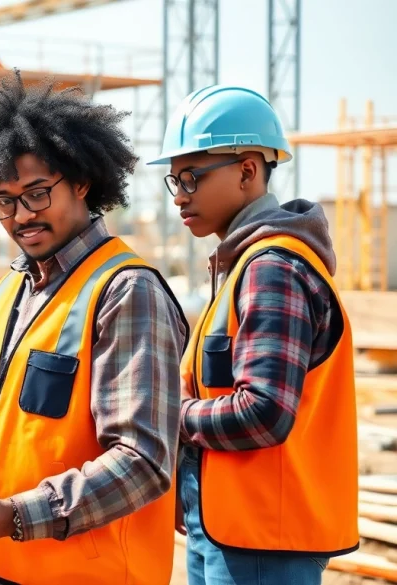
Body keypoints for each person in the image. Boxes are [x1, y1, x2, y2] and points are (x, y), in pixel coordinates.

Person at [0, 71, 189, 585]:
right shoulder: (9, 291)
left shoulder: (126, 291)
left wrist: (14, 517)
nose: (21, 217)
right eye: (4, 201)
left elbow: (143, 461)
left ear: (81, 181)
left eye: (37, 193)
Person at [151, 85, 359, 585]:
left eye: (191, 177)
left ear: (247, 170)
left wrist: (163, 413)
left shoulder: (272, 268)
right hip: (232, 527)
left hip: (265, 539)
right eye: (172, 181)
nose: (179, 194)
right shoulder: (242, 265)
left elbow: (263, 413)